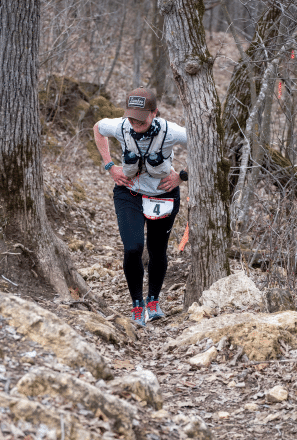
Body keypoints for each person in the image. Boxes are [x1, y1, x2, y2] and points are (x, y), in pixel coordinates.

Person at [93, 87, 188, 326]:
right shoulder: (121, 126)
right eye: (131, 117)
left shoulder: (171, 131)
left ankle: (153, 301)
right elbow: (98, 128)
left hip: (163, 194)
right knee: (133, 247)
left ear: (154, 113)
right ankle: (137, 305)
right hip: (129, 192)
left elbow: (204, 141)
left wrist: (183, 176)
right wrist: (110, 166)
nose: (135, 123)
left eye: (141, 118)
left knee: (157, 250)